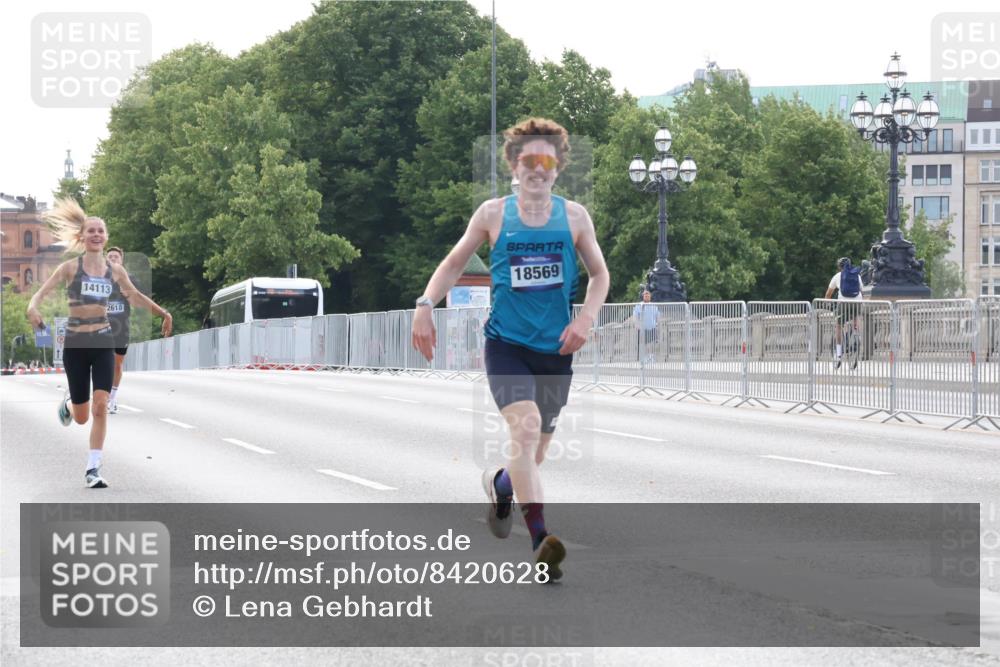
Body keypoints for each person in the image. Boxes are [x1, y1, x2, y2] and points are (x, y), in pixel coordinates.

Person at [411, 118, 610, 581]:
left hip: (556, 352)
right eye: (528, 161)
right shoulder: (493, 214)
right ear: (513, 167)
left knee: (532, 457)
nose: (538, 169)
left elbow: (600, 275)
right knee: (525, 435)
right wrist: (424, 303)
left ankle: (500, 485)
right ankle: (542, 540)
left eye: (547, 160)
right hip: (506, 347)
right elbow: (455, 263)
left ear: (558, 166)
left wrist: (585, 318)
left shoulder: (575, 216)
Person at [27, 199, 172, 488]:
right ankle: (69, 404)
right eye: (90, 230)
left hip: (104, 339)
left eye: (100, 231)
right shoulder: (70, 268)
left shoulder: (115, 271)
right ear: (82, 237)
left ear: (106, 237)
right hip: (76, 345)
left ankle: (93, 468)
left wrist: (163, 313)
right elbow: (40, 294)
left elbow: (135, 296)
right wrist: (32, 308)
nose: (95, 234)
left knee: (101, 406)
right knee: (81, 417)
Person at [823, 257, 863, 370]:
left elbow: (829, 293)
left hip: (843, 303)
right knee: (856, 317)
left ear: (839, 267)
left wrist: (826, 303)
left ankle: (839, 353)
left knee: (839, 325)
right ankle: (856, 333)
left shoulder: (837, 276)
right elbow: (861, 290)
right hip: (857, 302)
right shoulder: (857, 275)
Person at [105, 247, 131, 414]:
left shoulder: (128, 279)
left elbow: (137, 298)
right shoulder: (98, 280)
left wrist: (126, 292)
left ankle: (112, 398)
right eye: (110, 257)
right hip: (101, 327)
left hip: (121, 328)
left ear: (121, 261)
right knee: (101, 361)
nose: (113, 259)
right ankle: (101, 394)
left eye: (116, 257)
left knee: (117, 363)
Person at [633, 288, 659, 364]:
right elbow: (635, 316)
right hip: (643, 328)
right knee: (645, 343)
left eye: (648, 294)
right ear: (643, 296)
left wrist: (657, 324)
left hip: (652, 326)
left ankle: (650, 356)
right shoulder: (639, 305)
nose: (646, 296)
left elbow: (657, 316)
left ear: (650, 296)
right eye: (645, 294)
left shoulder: (654, 306)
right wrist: (636, 324)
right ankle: (646, 357)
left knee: (652, 343)